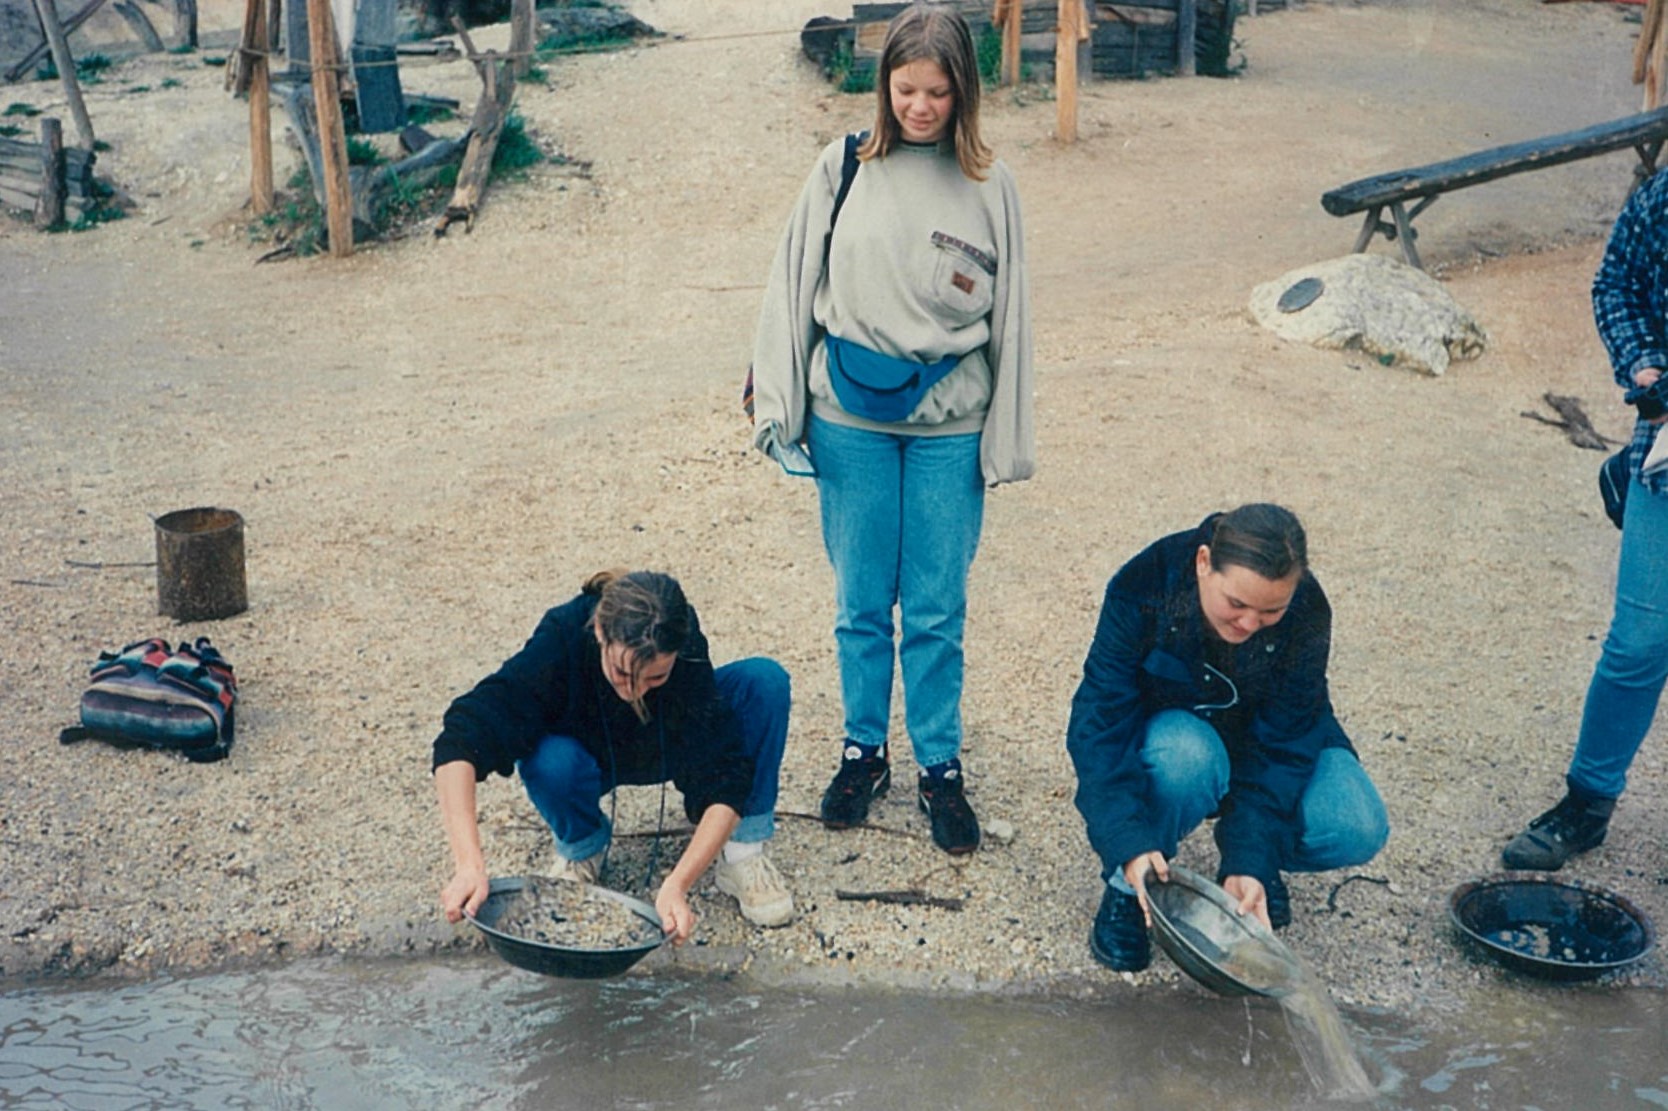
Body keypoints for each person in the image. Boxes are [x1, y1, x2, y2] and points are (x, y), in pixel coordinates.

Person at [747, 3, 1034, 855]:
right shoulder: (842, 167)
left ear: (963, 94)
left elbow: (1014, 317)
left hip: (951, 424)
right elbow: (791, 284)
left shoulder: (990, 185)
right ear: (883, 87)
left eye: (937, 92)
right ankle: (863, 749)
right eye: (904, 89)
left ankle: (939, 765)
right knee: (861, 600)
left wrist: (1006, 437)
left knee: (939, 606)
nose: (919, 107)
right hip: (850, 420)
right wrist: (777, 405)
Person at [1065, 505, 1390, 972]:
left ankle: (1253, 861)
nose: (1249, 624)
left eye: (1270, 611)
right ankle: (1128, 885)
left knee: (1357, 823)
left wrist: (1250, 858)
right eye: (1236, 604)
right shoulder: (1145, 583)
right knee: (1185, 759)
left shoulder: (1308, 609)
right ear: (1203, 563)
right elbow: (1100, 722)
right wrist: (1127, 842)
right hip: (1181, 743)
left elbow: (1287, 740)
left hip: (1262, 742)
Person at [432, 570, 794, 944]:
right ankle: (583, 847)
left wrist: (677, 883)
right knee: (547, 758)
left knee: (763, 681)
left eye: (654, 678)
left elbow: (727, 775)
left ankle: (742, 851)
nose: (634, 690)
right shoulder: (564, 634)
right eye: (621, 672)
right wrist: (469, 865)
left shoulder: (683, 642)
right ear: (600, 633)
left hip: (670, 743)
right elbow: (462, 736)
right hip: (587, 755)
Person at [1500, 170, 1668, 871]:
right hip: (1666, 451)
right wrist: (1644, 370)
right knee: (1637, 640)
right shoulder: (1662, 194)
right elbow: (1617, 286)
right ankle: (1587, 802)